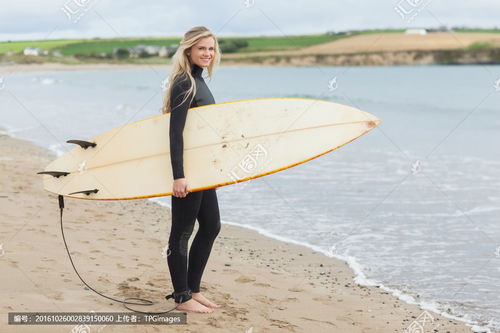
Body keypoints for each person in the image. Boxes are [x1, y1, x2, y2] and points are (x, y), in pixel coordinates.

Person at [161, 26, 222, 314]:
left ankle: (193, 289)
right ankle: (181, 297)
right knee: (181, 233)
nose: (208, 53)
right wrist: (178, 175)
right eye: (202, 48)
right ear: (188, 50)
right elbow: (176, 133)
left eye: (211, 48)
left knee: (211, 226)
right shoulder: (184, 82)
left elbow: (202, 132)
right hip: (188, 171)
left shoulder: (200, 80)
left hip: (203, 169)